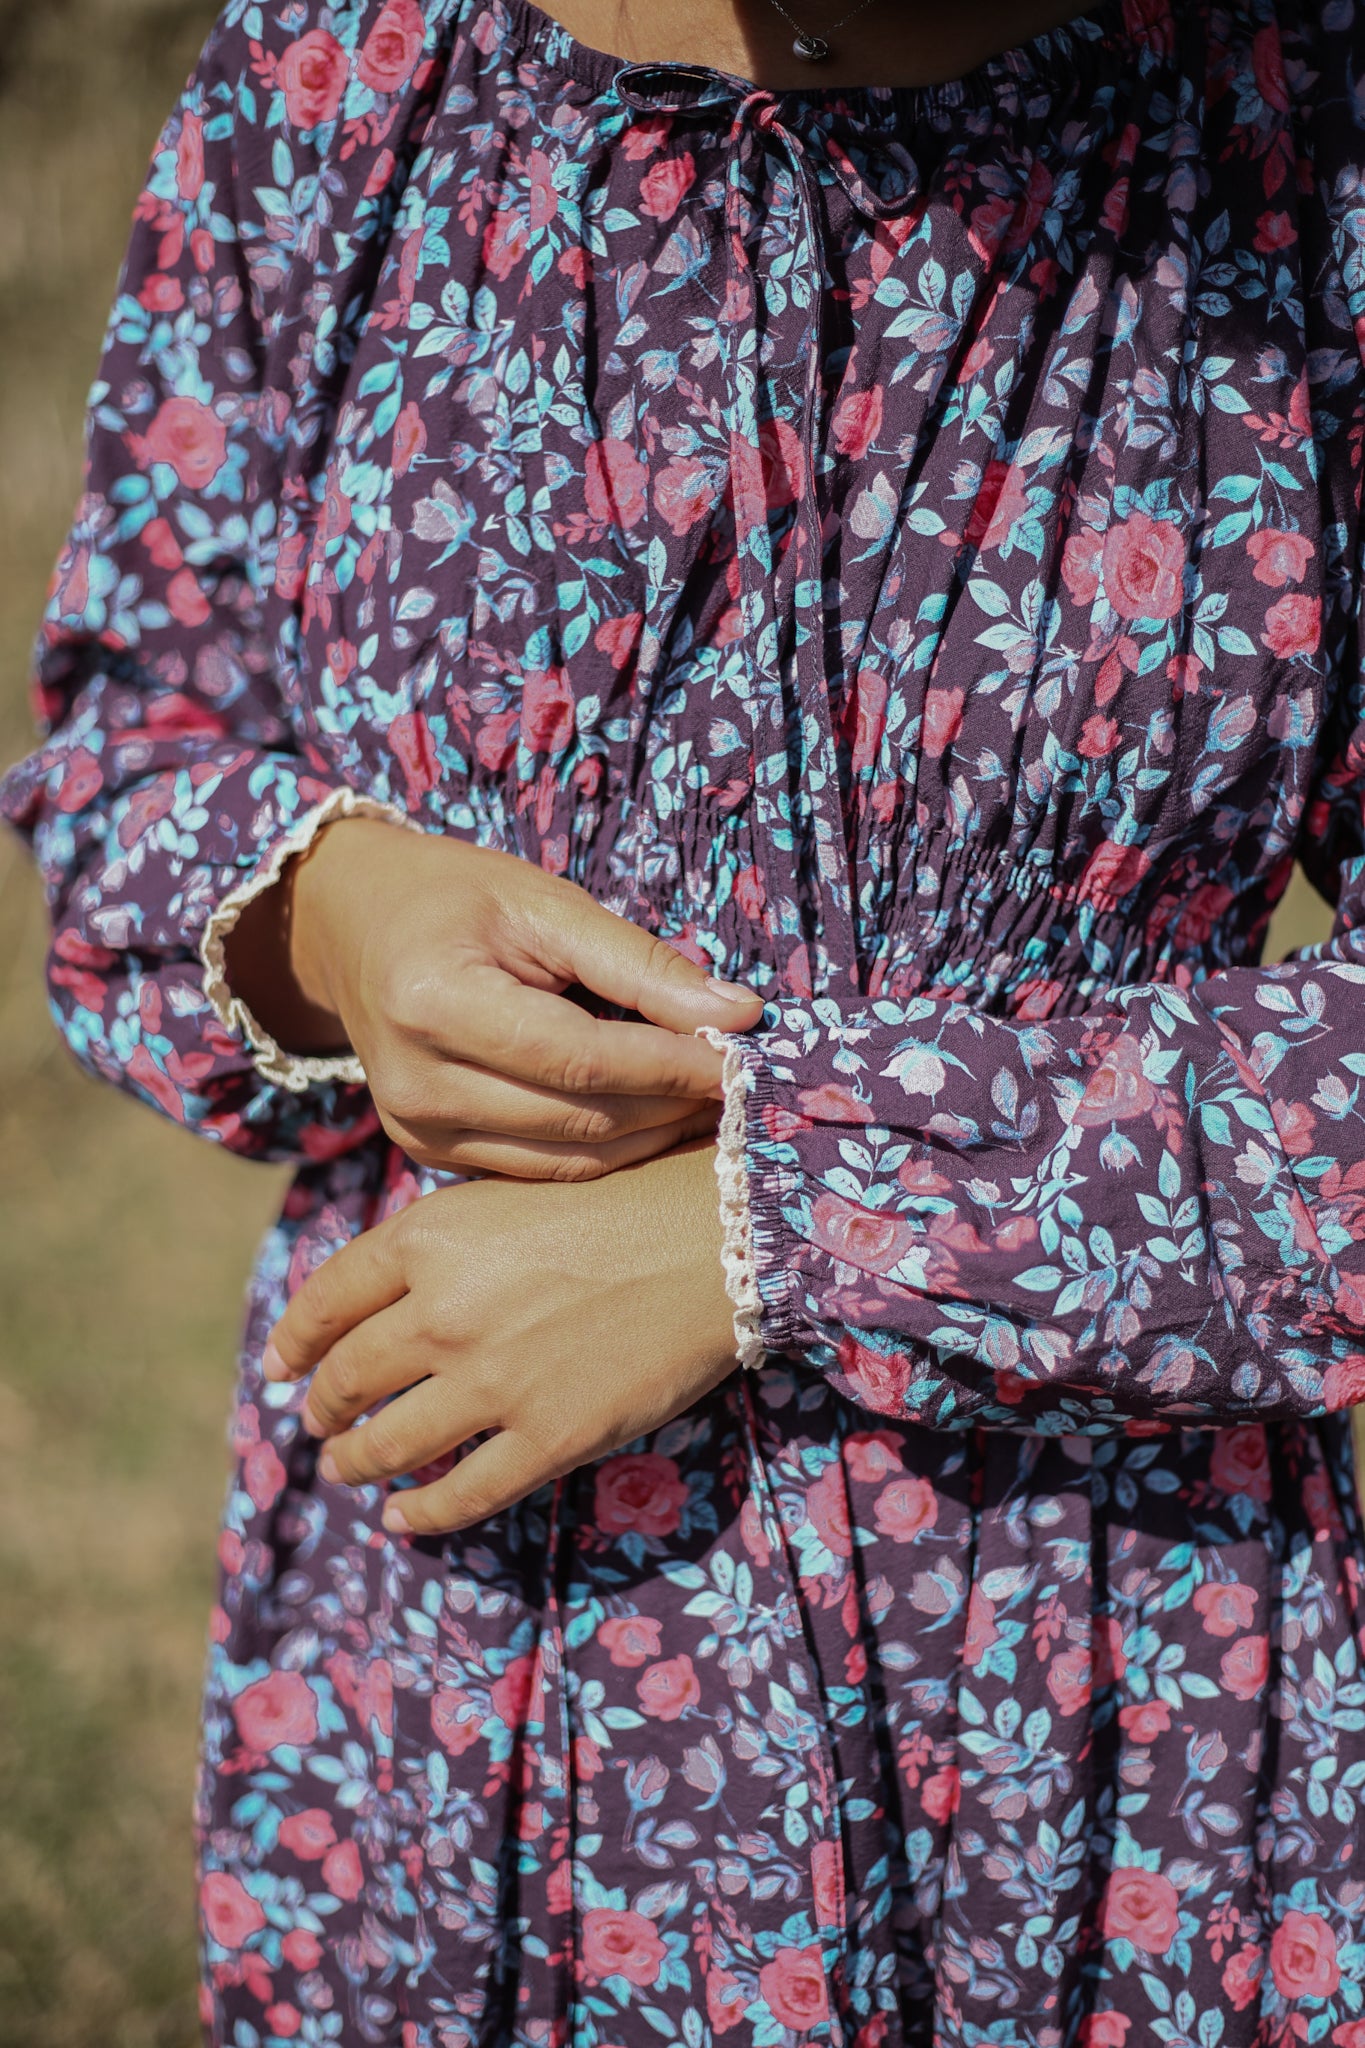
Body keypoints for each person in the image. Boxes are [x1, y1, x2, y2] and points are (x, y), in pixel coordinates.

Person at [4, 0, 1365, 2037]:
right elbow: (125, 753)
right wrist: (330, 910)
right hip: (443, 1702)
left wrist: (773, 1224)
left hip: (1091, 1742)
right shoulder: (339, 67)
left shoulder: (1290, 112)